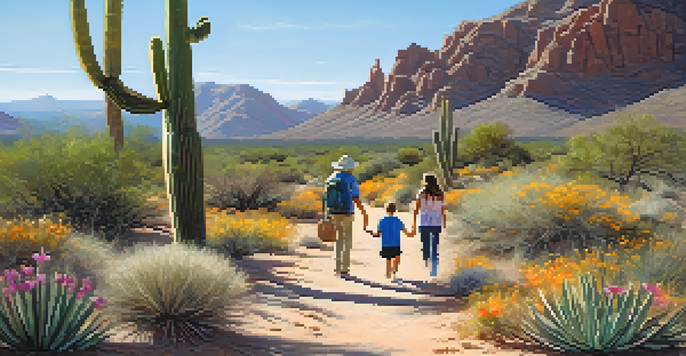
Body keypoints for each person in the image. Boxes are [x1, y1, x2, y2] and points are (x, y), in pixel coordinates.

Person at [324, 155, 369, 276]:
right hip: (348, 211)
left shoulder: (331, 178)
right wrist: (363, 212)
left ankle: (337, 266)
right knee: (347, 238)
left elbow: (325, 197)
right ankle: (345, 267)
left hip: (334, 211)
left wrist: (326, 213)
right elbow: (355, 197)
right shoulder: (351, 179)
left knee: (338, 237)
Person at [366, 202, 415, 279]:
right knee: (397, 258)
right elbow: (406, 232)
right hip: (396, 244)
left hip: (386, 244)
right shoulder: (398, 220)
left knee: (388, 259)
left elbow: (378, 234)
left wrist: (371, 233)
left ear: (386, 210)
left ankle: (388, 272)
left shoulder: (382, 221)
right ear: (395, 210)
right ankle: (394, 271)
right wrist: (412, 232)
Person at [412, 172, 447, 279]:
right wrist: (444, 221)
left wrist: (414, 222)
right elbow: (442, 209)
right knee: (435, 246)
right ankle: (434, 270)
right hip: (436, 222)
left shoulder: (421, 193)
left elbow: (417, 208)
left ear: (425, 181)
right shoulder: (441, 194)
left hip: (424, 222)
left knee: (425, 245)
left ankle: (427, 265)